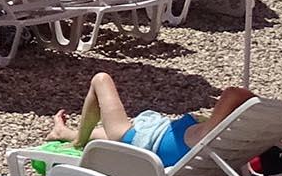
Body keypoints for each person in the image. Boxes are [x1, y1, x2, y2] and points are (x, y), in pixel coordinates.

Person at [48, 70, 253, 166]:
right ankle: (65, 133)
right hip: (149, 135)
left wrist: (256, 102)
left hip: (135, 139)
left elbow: (233, 93)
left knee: (101, 80)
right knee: (107, 134)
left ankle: (77, 140)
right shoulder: (226, 143)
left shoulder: (207, 135)